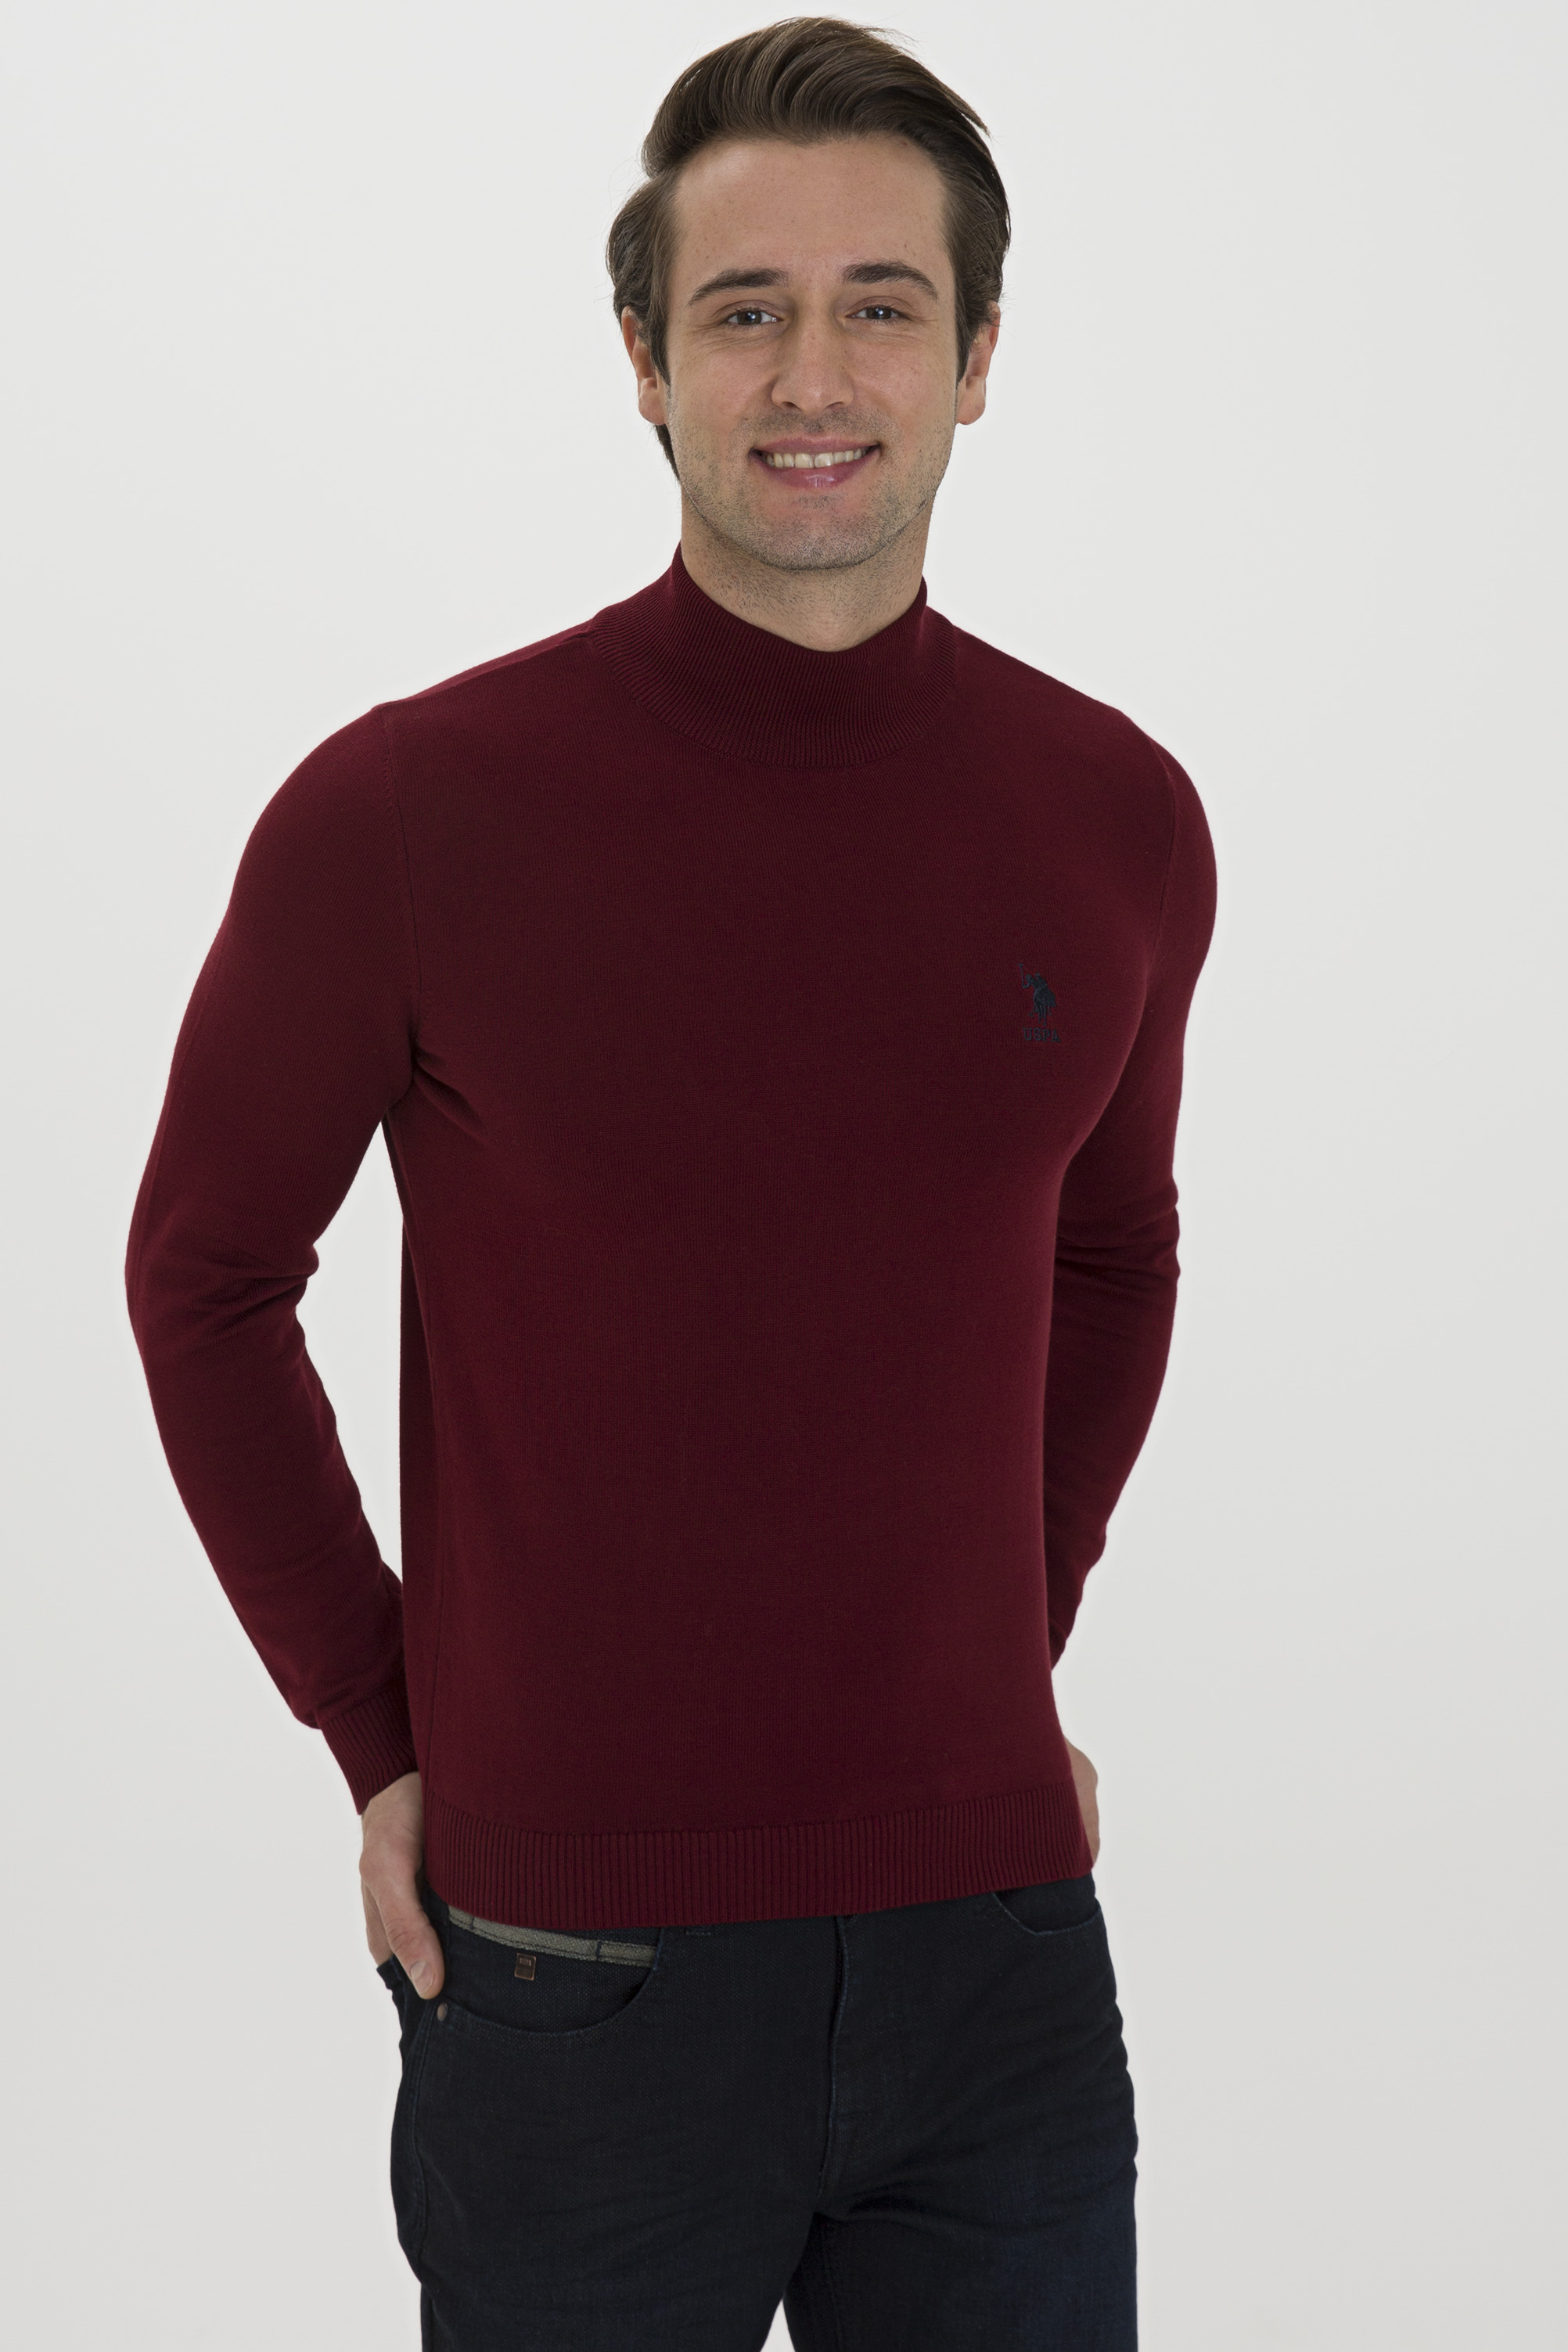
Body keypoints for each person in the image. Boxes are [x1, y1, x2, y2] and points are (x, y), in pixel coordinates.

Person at [126, 17, 1215, 2348]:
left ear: (979, 357)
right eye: (743, 310)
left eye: (880, 305)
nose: (812, 375)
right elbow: (205, 1275)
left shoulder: (1115, 814)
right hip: (564, 1972)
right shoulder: (407, 813)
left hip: (1001, 1958)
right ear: (641, 360)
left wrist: (1003, 1640)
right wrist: (383, 1729)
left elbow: (1115, 1251)